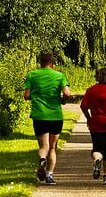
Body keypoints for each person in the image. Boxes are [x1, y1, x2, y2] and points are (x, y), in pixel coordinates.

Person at [24, 51, 71, 185]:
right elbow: (67, 93)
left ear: (40, 62)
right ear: (53, 62)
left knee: (43, 146)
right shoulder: (59, 75)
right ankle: (49, 176)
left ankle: (42, 159)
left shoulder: (33, 75)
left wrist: (37, 97)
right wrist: (63, 101)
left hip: (39, 115)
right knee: (52, 147)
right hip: (55, 116)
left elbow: (27, 96)